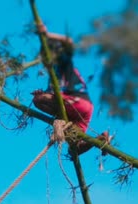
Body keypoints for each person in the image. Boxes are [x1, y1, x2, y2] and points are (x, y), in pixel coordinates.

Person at [30, 21, 94, 155]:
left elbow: (69, 42)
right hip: (84, 110)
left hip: (75, 101)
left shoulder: (62, 63)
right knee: (74, 148)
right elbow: (50, 95)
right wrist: (41, 93)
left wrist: (46, 35)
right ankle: (100, 139)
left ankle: (61, 118)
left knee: (37, 100)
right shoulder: (54, 77)